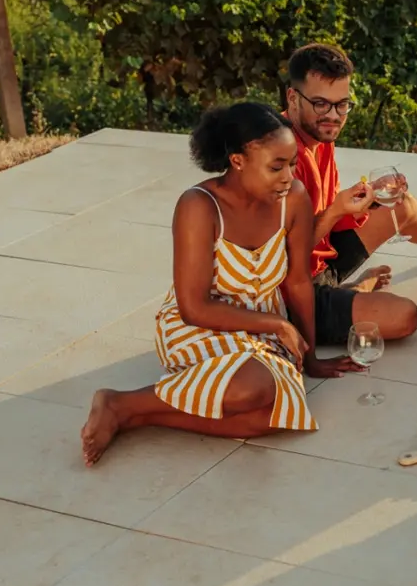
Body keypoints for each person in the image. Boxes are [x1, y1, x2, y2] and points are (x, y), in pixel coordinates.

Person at [80, 103, 359, 466]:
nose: (289, 176)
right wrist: (278, 324)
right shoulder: (199, 205)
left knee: (278, 416)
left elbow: (299, 282)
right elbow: (193, 307)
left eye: (291, 163)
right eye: (276, 166)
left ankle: (134, 413)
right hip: (201, 326)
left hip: (263, 333)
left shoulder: (293, 200)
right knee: (254, 388)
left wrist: (310, 358)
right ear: (238, 160)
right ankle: (124, 402)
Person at [284, 42, 417, 348]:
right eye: (321, 104)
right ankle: (353, 293)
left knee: (401, 206)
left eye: (341, 104)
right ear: (292, 98)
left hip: (320, 260)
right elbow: (280, 258)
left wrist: (367, 197)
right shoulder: (276, 156)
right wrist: (336, 210)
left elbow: (325, 213)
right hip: (293, 294)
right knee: (404, 316)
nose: (333, 116)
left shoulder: (320, 133)